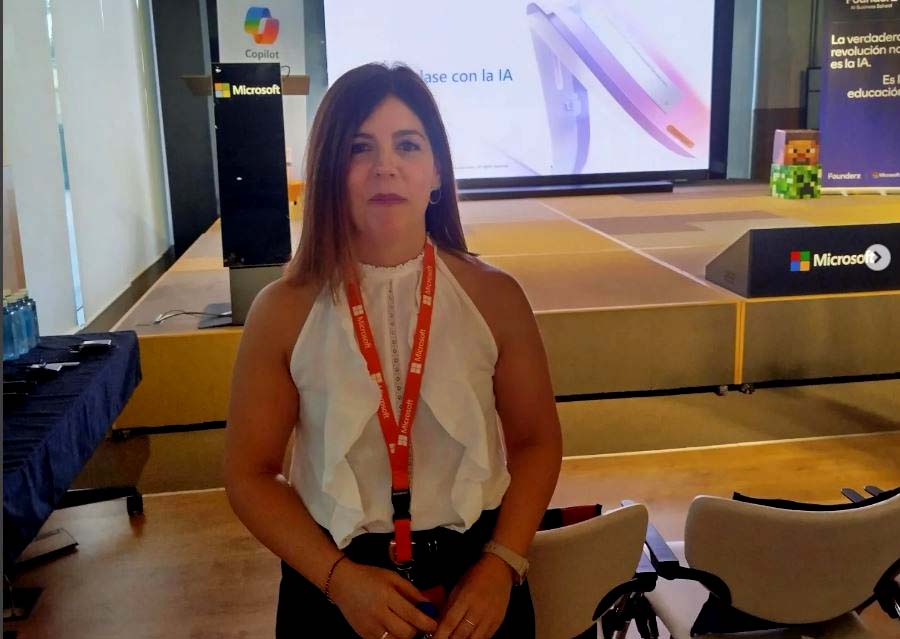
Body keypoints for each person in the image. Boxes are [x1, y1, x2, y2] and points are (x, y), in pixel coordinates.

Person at [224, 62, 562, 639]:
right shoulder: (282, 310)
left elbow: (537, 442)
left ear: (436, 171)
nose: (386, 166)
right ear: (329, 171)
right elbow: (248, 473)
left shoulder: (495, 297)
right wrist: (338, 580)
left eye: (407, 144)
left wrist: (502, 562)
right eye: (360, 148)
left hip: (475, 577)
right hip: (332, 579)